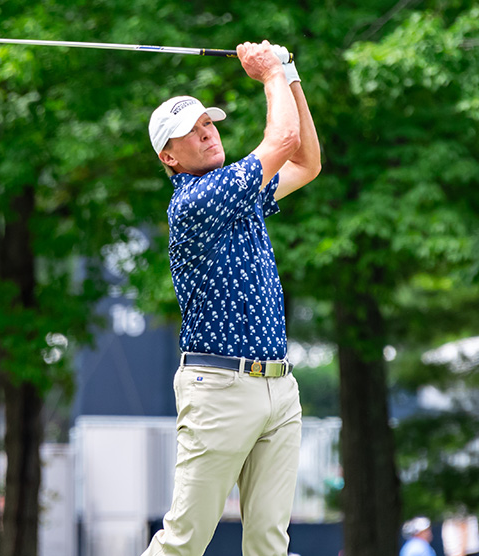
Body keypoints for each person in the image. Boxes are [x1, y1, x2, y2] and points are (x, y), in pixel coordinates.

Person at [141, 39, 321, 556]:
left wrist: (289, 75)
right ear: (169, 156)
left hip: (279, 388)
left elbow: (306, 161)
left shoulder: (237, 189)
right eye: (189, 132)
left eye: (208, 123)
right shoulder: (195, 200)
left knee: (269, 542)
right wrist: (269, 74)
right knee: (184, 540)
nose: (206, 132)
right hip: (219, 387)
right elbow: (282, 138)